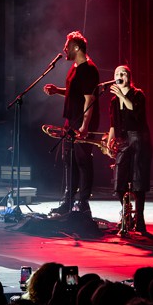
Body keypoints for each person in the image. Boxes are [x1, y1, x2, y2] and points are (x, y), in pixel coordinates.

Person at [41, 30, 99, 217]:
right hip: (71, 121)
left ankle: (83, 204)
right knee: (69, 161)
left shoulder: (88, 69)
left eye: (67, 46)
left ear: (76, 47)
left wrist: (85, 126)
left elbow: (89, 99)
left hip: (82, 122)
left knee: (82, 162)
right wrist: (57, 90)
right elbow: (74, 92)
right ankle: (68, 203)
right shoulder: (74, 67)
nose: (64, 49)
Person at [104, 63, 152, 235]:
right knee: (119, 183)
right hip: (123, 140)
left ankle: (140, 221)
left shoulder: (138, 94)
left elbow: (135, 111)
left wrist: (122, 96)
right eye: (117, 73)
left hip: (138, 139)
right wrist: (109, 141)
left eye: (123, 73)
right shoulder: (113, 101)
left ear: (129, 77)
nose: (120, 76)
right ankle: (127, 217)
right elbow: (113, 124)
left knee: (138, 183)